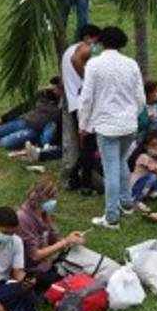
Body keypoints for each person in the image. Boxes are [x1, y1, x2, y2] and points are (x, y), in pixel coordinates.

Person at [78, 26, 146, 229]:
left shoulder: (94, 65)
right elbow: (140, 97)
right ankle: (126, 203)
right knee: (121, 162)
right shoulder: (131, 64)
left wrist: (84, 124)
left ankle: (111, 216)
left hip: (107, 125)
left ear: (101, 43)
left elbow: (87, 97)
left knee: (111, 169)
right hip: (128, 124)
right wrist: (132, 114)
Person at [15, 177, 86, 293]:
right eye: (53, 198)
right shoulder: (23, 219)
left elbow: (55, 240)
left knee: (81, 271)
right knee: (71, 284)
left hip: (44, 266)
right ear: (43, 198)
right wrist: (65, 242)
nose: (54, 201)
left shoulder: (43, 214)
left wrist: (72, 241)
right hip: (29, 271)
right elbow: (35, 255)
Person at [62, 24, 102, 194]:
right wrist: (88, 80)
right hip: (83, 102)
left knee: (88, 144)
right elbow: (76, 60)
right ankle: (82, 182)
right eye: (96, 40)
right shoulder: (82, 49)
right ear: (88, 37)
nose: (96, 45)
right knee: (89, 145)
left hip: (74, 101)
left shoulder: (68, 50)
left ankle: (75, 178)